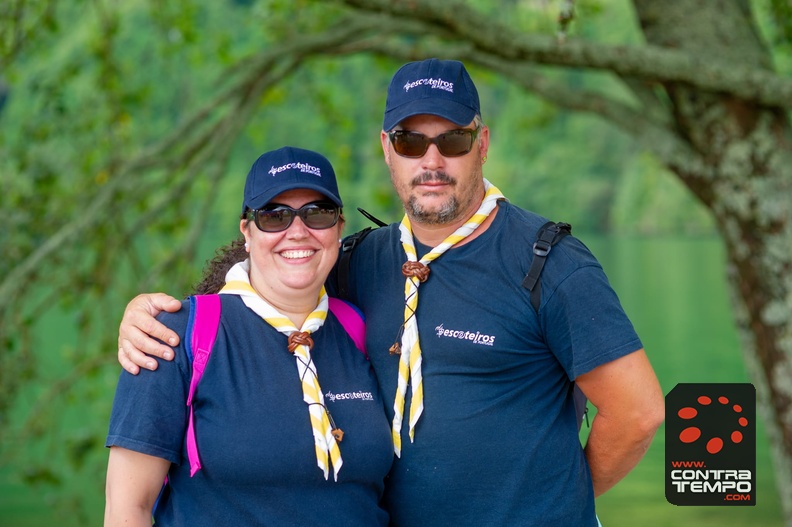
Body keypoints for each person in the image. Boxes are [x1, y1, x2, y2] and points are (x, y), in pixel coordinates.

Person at [117, 59, 665, 526]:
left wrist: (555, 503)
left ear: (482, 144)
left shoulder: (546, 262)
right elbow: (272, 276)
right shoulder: (359, 260)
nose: (431, 161)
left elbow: (638, 413)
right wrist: (153, 313)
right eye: (410, 141)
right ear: (387, 149)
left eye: (451, 140)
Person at [104, 147, 393, 527]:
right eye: (274, 216)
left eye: (317, 213)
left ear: (339, 228)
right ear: (247, 231)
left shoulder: (359, 329)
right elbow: (128, 509)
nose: (298, 231)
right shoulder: (172, 336)